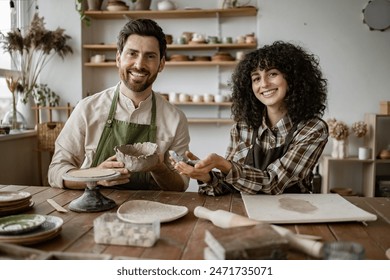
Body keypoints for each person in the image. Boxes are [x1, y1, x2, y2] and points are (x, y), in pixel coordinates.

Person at [48, 18, 190, 191]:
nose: (139, 64)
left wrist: (159, 168)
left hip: (151, 213)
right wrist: (95, 177)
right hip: (92, 210)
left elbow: (181, 185)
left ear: (161, 64)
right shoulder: (87, 109)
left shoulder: (176, 119)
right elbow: (56, 172)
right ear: (118, 59)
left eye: (150, 56)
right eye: (132, 53)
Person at [172, 41, 328, 195]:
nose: (264, 84)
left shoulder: (312, 129)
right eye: (256, 78)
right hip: (246, 212)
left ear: (293, 78)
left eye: (272, 74)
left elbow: (273, 183)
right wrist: (206, 176)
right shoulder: (243, 127)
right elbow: (230, 185)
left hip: (293, 214)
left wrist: (224, 165)